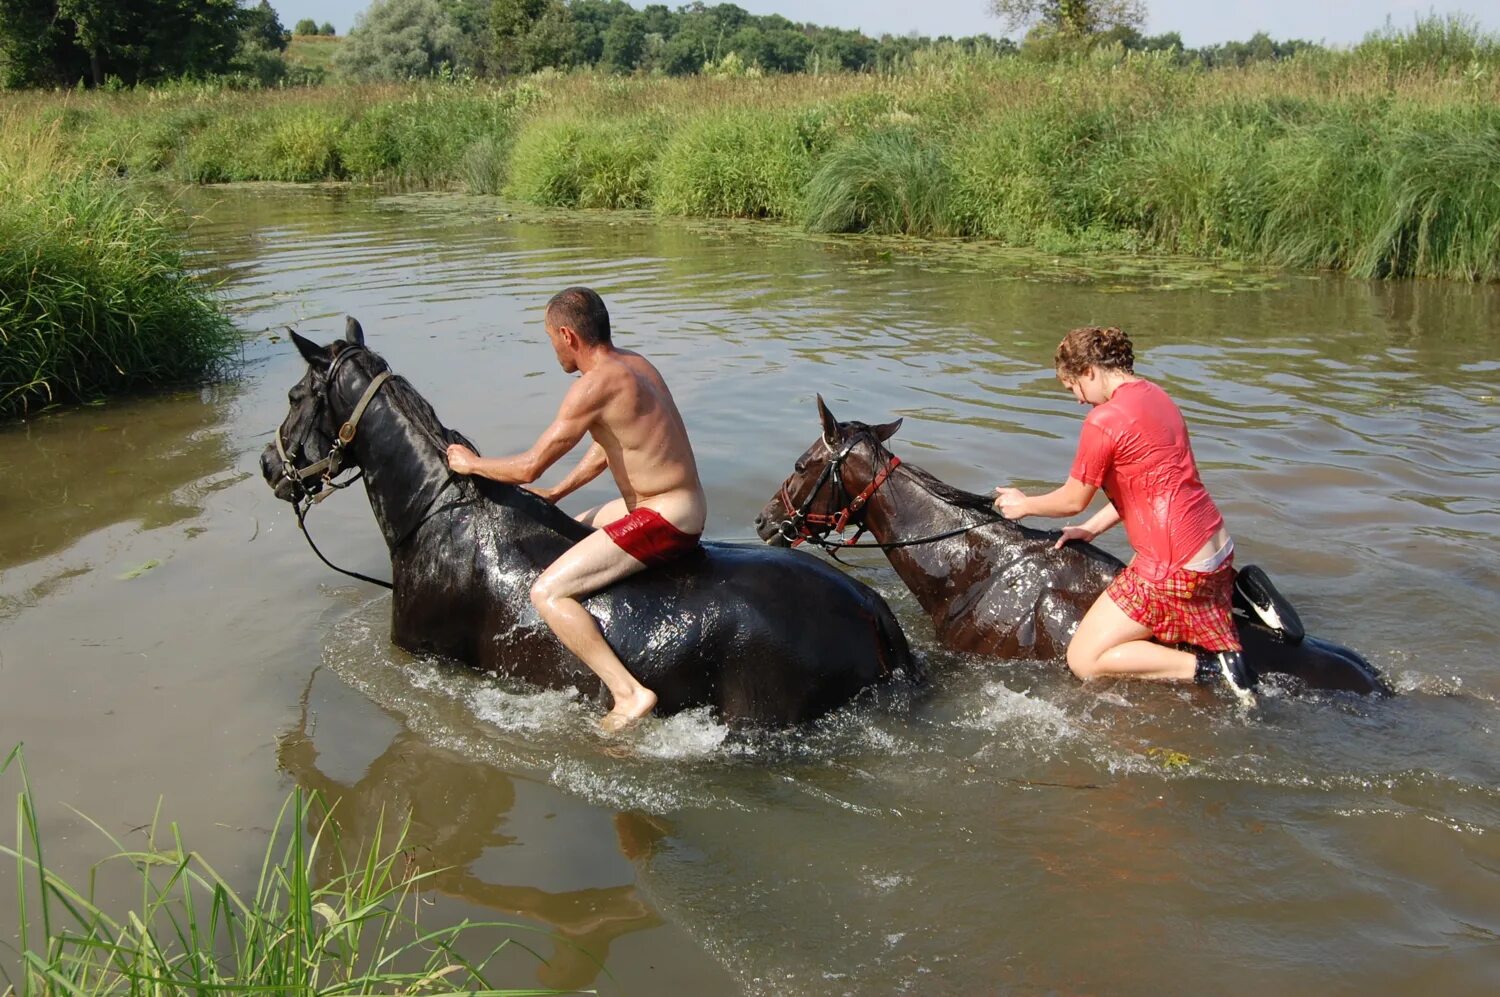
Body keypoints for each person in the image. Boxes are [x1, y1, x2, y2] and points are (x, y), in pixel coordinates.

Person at [445, 287, 708, 730]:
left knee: (547, 592)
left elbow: (528, 466)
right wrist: (557, 495)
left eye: (550, 338)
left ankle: (629, 694)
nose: (552, 348)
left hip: (666, 518)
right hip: (673, 504)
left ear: (567, 335)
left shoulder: (592, 386)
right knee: (567, 528)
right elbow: (612, 447)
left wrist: (470, 464)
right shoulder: (636, 364)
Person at [991, 326, 1255, 700]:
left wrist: (1024, 504)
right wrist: (1092, 528)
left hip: (1173, 564)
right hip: (1215, 544)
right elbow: (1154, 486)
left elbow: (1071, 499)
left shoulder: (1105, 420)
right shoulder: (1156, 395)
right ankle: (1229, 596)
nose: (1079, 400)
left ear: (1089, 372)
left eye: (1073, 388)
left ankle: (1213, 668)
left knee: (1084, 658)